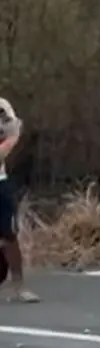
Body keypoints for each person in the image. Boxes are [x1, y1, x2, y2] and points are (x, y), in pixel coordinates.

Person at [0, 97, 38, 303]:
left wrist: (12, 134)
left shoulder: (2, 106)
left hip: (0, 182)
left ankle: (19, 287)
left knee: (9, 235)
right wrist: (13, 139)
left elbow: (13, 126)